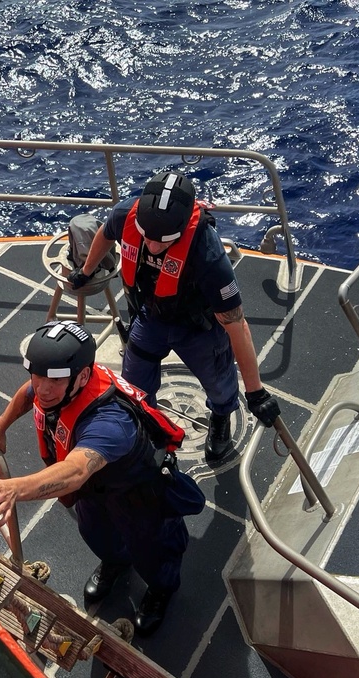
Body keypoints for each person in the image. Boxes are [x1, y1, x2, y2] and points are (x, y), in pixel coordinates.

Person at [0, 321, 205, 637]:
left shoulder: (110, 422)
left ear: (82, 376)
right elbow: (28, 394)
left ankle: (161, 590)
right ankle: (115, 563)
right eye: (37, 376)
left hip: (138, 496)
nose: (42, 389)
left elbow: (76, 471)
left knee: (154, 552)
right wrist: (0, 426)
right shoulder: (54, 385)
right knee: (96, 533)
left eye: (51, 381)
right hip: (97, 493)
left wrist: (13, 489)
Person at [67, 171, 280, 461]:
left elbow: (236, 323)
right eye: (148, 238)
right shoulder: (124, 214)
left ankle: (220, 421)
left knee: (219, 384)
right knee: (134, 384)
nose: (153, 247)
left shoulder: (207, 254)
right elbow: (106, 233)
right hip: (150, 317)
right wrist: (86, 270)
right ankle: (147, 426)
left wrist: (255, 392)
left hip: (197, 329)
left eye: (163, 241)